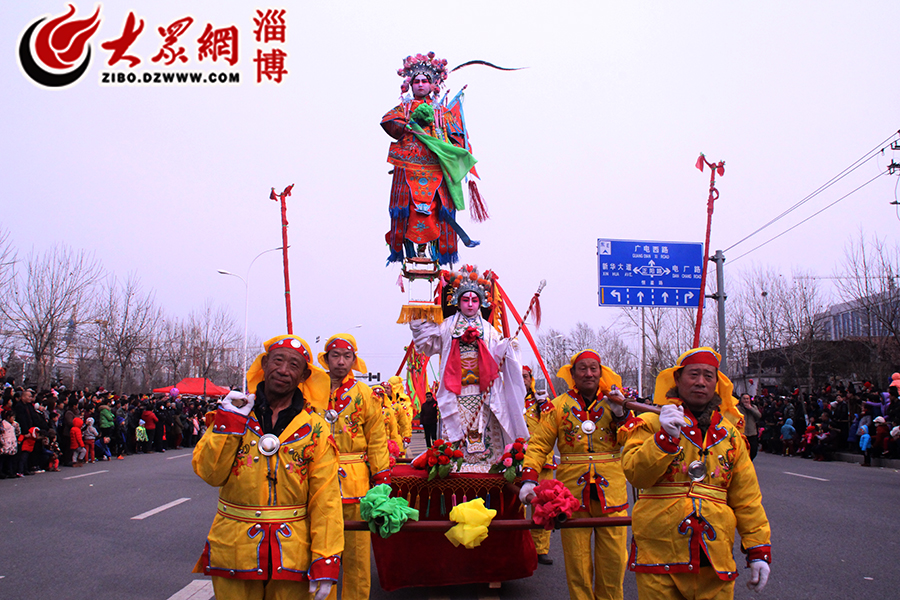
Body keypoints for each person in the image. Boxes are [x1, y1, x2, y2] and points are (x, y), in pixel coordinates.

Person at [192, 334, 342, 600]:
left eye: (294, 365)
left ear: (304, 375)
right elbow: (210, 473)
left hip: (293, 552)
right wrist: (228, 424)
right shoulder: (236, 412)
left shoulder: (316, 428)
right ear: (265, 364)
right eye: (278, 361)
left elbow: (326, 499)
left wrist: (326, 557)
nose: (284, 370)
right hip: (234, 547)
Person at [619, 347, 771, 599]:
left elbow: (747, 499)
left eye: (708, 376)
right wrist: (664, 438)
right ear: (677, 379)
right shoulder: (650, 423)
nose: (701, 382)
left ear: (716, 383)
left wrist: (757, 549)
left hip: (715, 559)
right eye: (694, 374)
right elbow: (636, 475)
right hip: (659, 556)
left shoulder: (731, 435)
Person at [519, 351, 630, 599]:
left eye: (593, 368)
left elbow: (633, 440)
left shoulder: (617, 402)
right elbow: (538, 446)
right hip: (571, 497)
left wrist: (622, 414)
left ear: (600, 372)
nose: (588, 373)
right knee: (577, 564)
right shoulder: (558, 406)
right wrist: (529, 478)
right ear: (572, 374)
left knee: (614, 562)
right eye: (582, 368)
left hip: (611, 495)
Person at [410, 265, 528, 472]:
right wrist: (420, 323)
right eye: (466, 300)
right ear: (458, 302)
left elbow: (498, 355)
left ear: (481, 302)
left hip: (484, 391)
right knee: (456, 425)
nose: (471, 305)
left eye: (475, 300)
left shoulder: (490, 330)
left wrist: (509, 347)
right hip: (456, 390)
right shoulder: (447, 326)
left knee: (484, 429)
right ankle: (455, 465)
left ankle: (489, 464)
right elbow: (428, 345)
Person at [381, 52, 479, 264]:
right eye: (416, 81)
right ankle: (414, 252)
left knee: (435, 211)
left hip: (436, 169)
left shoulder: (443, 112)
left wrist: (447, 147)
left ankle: (428, 251)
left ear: (433, 84)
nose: (420, 85)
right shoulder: (404, 108)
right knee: (408, 210)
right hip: (408, 168)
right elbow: (388, 122)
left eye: (425, 81)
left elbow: (456, 139)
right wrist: (409, 124)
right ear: (410, 85)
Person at [313, 333, 390, 600]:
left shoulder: (364, 393)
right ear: (326, 358)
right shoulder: (310, 390)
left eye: (347, 356)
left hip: (356, 482)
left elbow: (377, 438)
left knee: (357, 555)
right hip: (318, 480)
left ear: (354, 360)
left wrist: (381, 480)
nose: (341, 362)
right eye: (335, 355)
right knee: (321, 550)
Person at [521, 365, 557, 566]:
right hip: (515, 460)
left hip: (542, 461)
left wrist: (544, 407)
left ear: (531, 378)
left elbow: (552, 425)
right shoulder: (507, 399)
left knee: (542, 504)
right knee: (513, 506)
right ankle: (516, 546)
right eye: (518, 377)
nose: (523, 380)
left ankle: (540, 549)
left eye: (525, 376)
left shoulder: (542, 401)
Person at [738, 393, 762, 460]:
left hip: (752, 433)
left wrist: (750, 408)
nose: (746, 400)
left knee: (753, 450)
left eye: (747, 399)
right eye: (744, 399)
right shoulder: (738, 408)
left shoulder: (754, 407)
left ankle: (749, 461)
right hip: (742, 433)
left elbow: (759, 416)